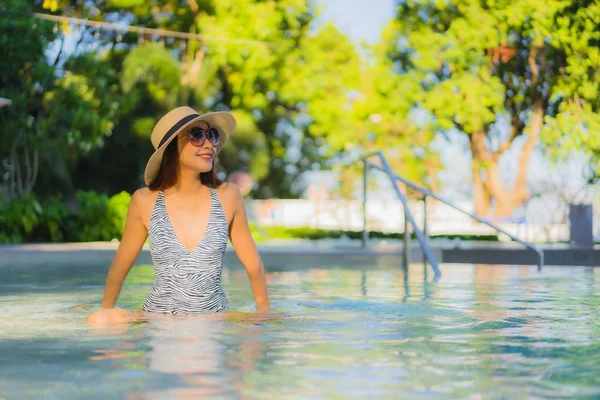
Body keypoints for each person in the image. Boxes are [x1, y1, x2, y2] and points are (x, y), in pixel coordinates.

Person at [87, 106, 270, 324]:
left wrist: (264, 314)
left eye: (212, 135)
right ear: (172, 147)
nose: (210, 144)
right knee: (96, 320)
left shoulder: (229, 196)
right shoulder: (145, 200)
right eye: (197, 135)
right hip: (158, 319)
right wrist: (106, 312)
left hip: (212, 320)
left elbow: (253, 265)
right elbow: (120, 266)